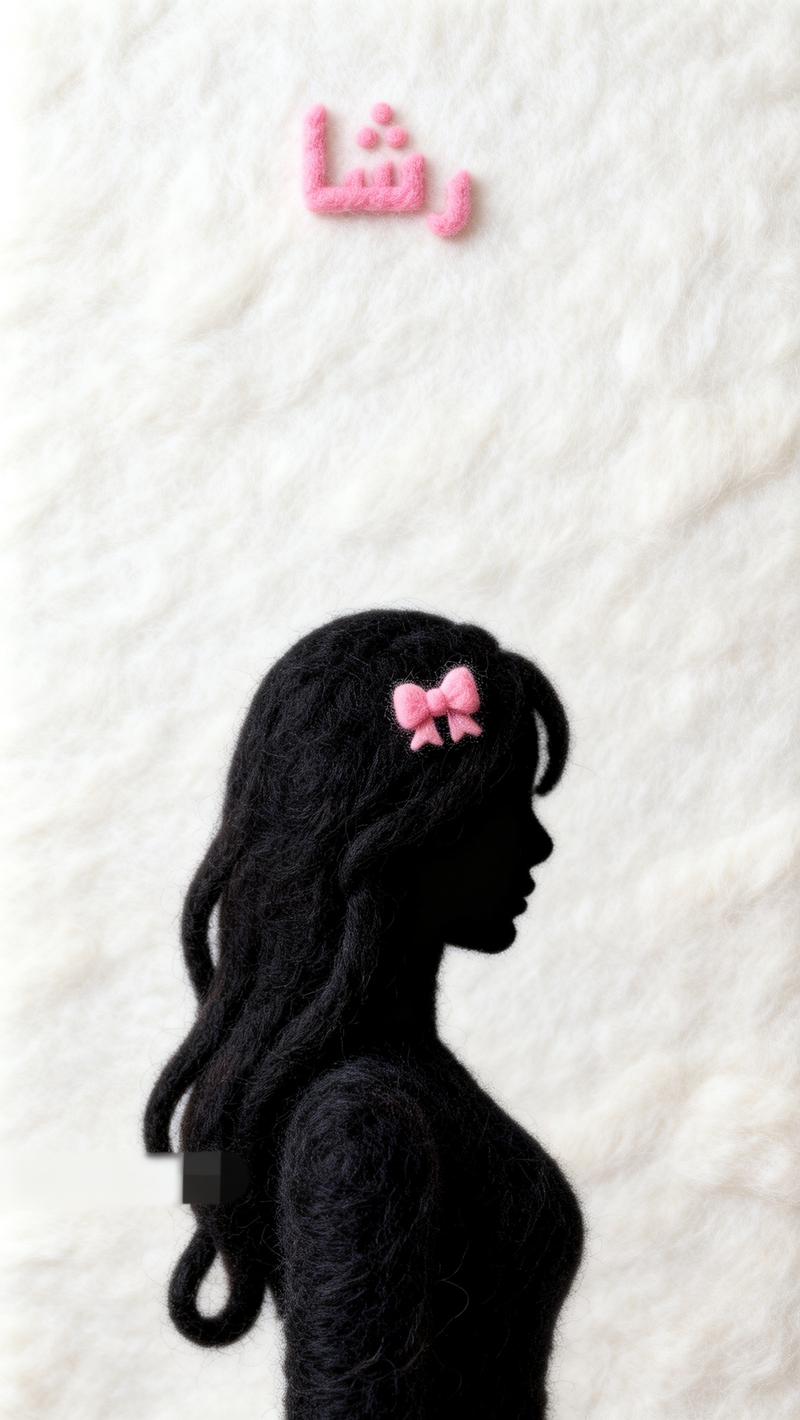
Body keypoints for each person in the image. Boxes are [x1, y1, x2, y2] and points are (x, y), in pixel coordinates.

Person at [144, 608, 583, 1418]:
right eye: (502, 803)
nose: (537, 843)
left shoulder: (388, 1090)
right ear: (402, 828)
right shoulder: (361, 1123)